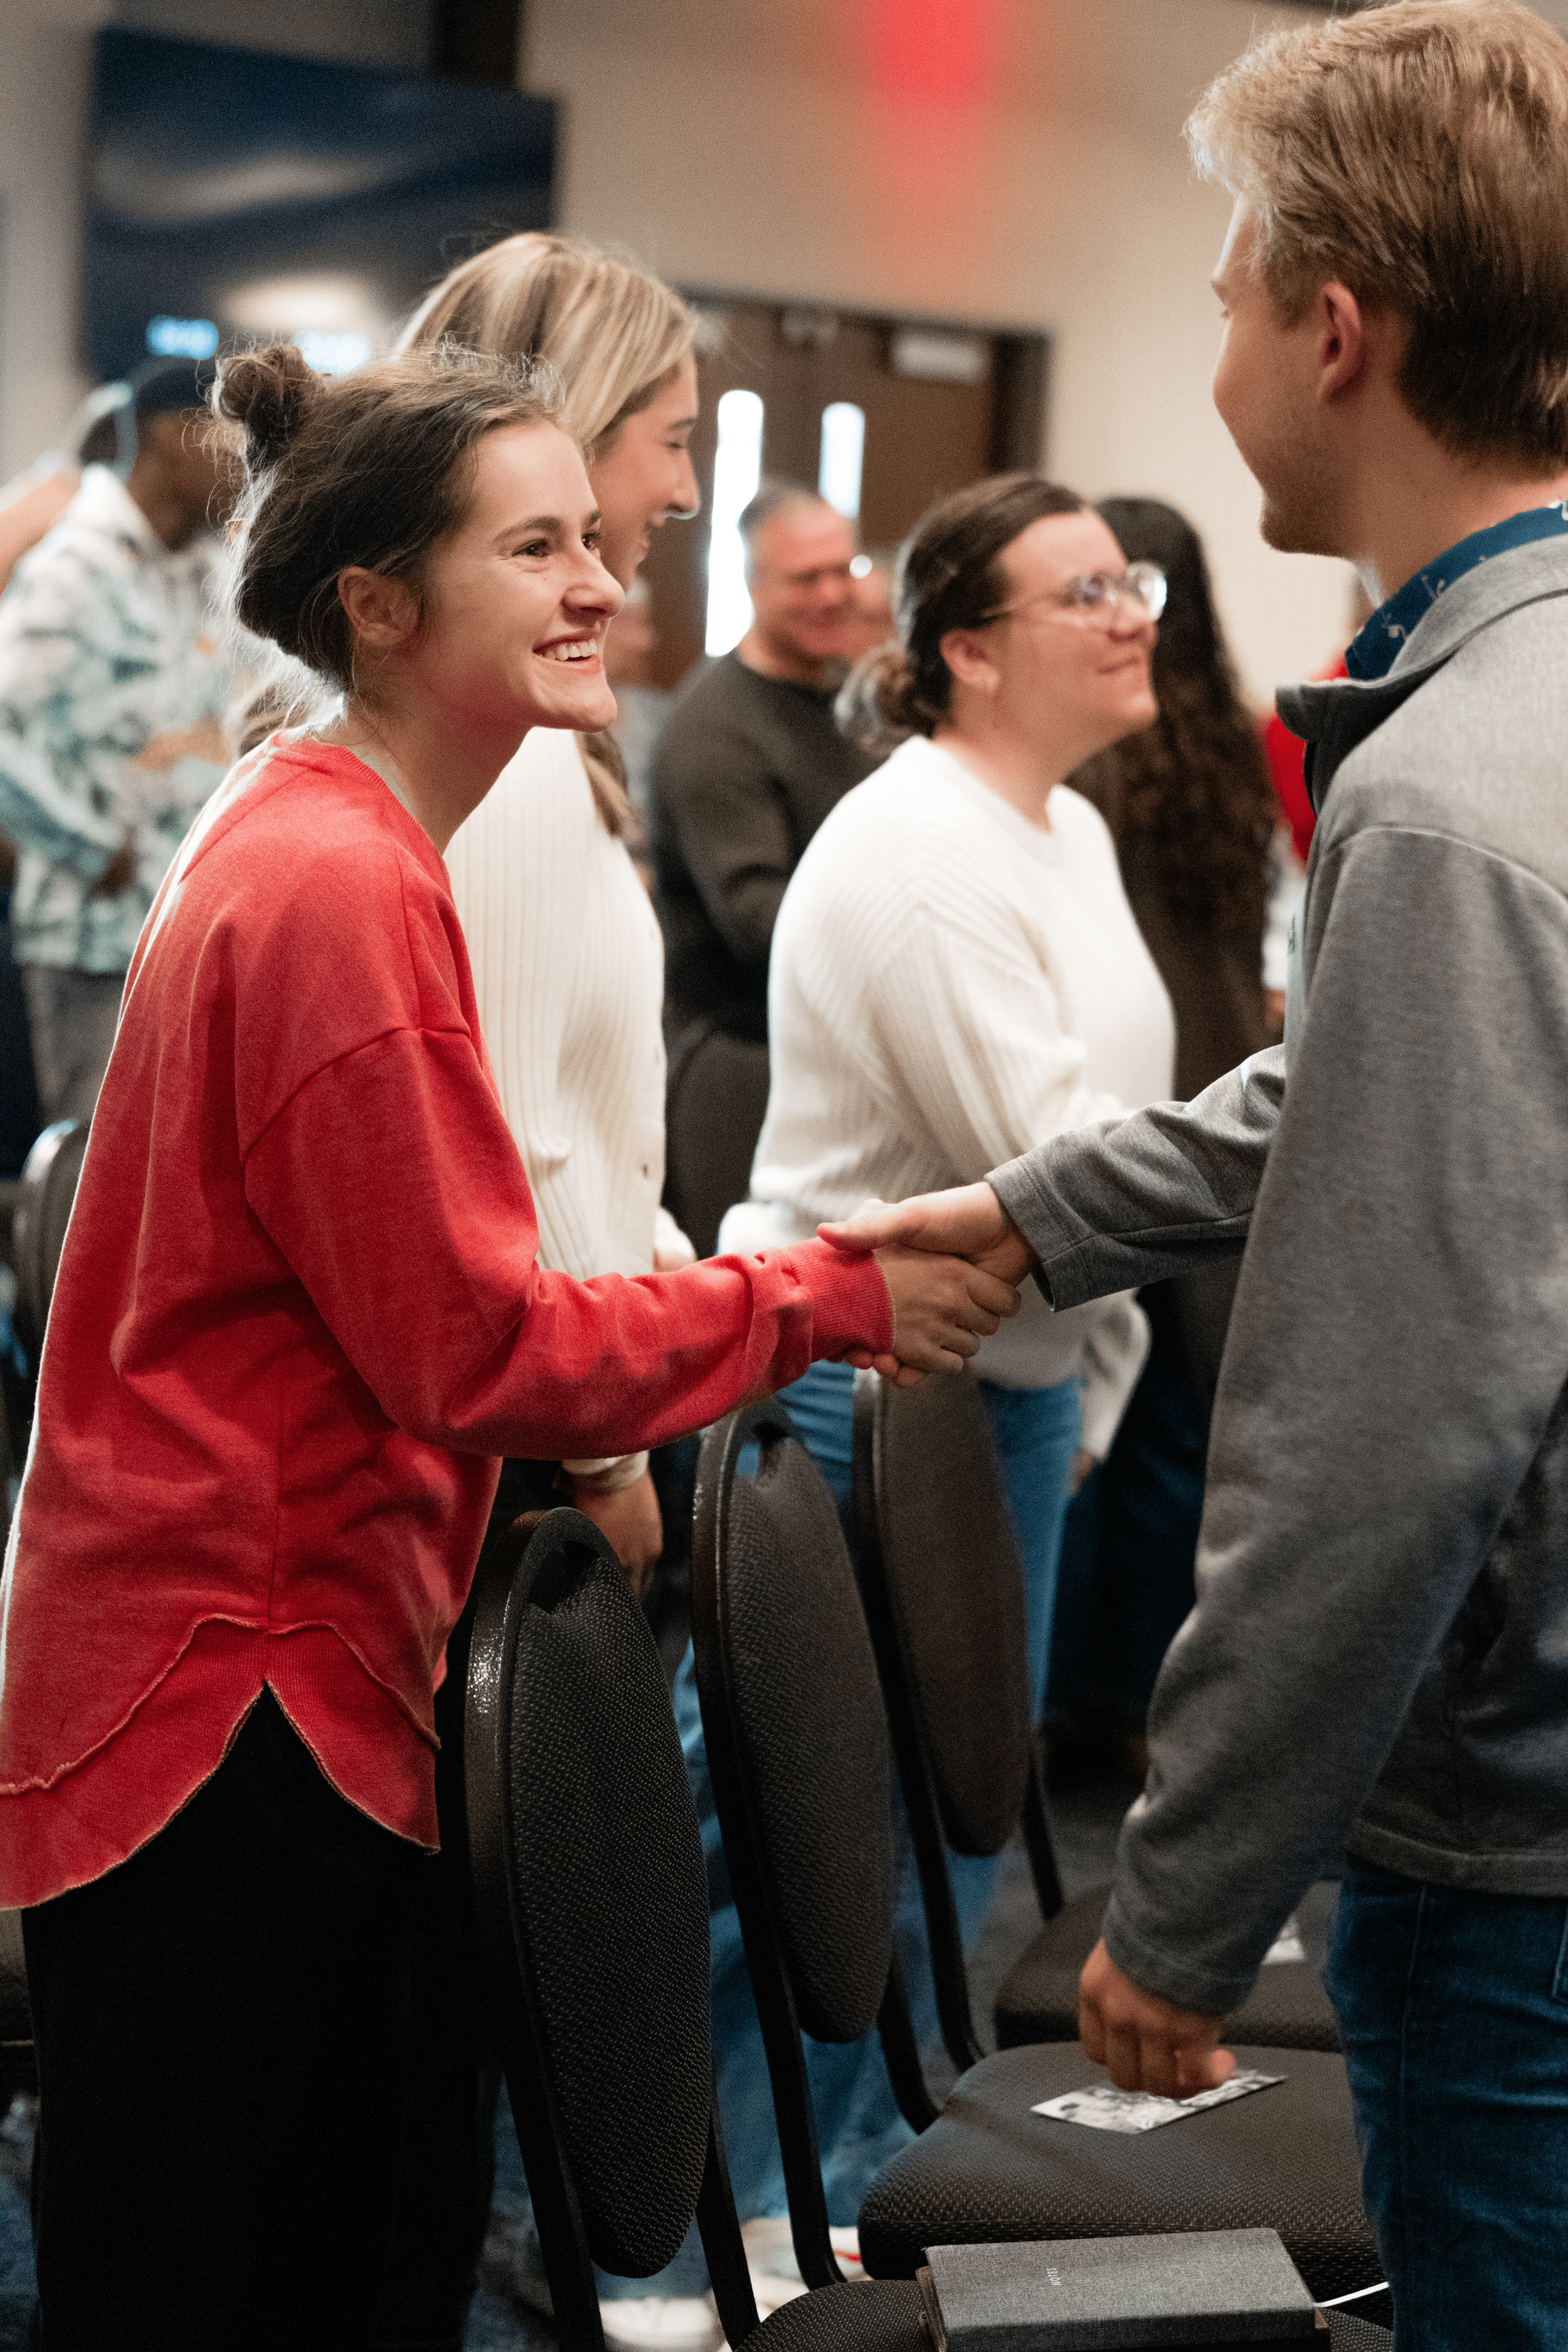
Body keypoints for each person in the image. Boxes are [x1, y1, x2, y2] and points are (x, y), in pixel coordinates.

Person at [3, 337, 1016, 2351]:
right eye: (534, 544)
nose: (596, 586)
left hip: (268, 1662)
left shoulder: (338, 833)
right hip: (237, 1693)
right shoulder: (332, 887)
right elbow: (480, 1350)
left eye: (595, 537)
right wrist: (827, 1290)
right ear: (375, 604)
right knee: (245, 2280)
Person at [824, 6, 1568, 2344]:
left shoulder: (1455, 788)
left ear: (1336, 331)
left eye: (1232, 291)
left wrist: (1186, 1888)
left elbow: (1385, 1424)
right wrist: (1052, 1206)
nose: (1218, 340)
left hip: (1511, 1855)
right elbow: (1369, 1092)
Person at [708, 472, 1174, 2226]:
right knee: (819, 1846)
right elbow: (1071, 1179)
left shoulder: (1068, 822)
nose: (1131, 609)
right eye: (1083, 592)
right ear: (968, 651)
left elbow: (1118, 1136)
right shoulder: (919, 856)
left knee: (946, 1832)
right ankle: (719, 2223)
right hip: (865, 1394)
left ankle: (852, 2179)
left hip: (1013, 1390)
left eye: (1128, 578)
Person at [391, 230, 703, 2348]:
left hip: (572, 1427)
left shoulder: (543, 740)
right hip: (523, 1469)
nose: (679, 492)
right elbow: (480, 1181)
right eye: (668, 437)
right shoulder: (484, 775)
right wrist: (599, 1445)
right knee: (497, 2064)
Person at [1046, 496, 1276, 1773]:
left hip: (1134, 1091)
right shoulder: (1230, 746)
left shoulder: (1097, 755)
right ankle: (1131, 1701)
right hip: (1229, 1076)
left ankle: (1041, 1694)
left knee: (1104, 1405)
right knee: (1179, 1421)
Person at [0, 355, 236, 1122]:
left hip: (188, 933)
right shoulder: (73, 569)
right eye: (228, 440)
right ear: (175, 437)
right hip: (93, 940)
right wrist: (91, 845)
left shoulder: (202, 574)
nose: (242, 463)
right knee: (90, 1187)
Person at [650, 481, 879, 1042]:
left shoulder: (847, 695)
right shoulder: (716, 729)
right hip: (743, 1054)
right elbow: (758, 921)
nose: (831, 594)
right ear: (751, 585)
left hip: (831, 1036)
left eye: (843, 571)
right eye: (805, 578)